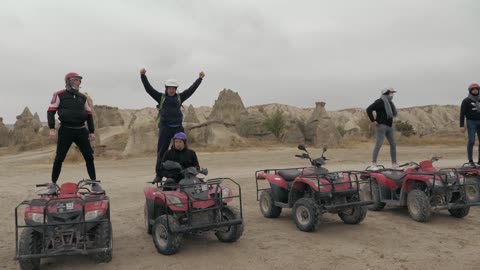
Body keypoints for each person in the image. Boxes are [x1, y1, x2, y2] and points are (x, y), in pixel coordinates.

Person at [140, 68, 205, 182]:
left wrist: (199, 79)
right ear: (166, 89)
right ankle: (159, 175)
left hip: (178, 128)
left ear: (176, 89)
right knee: (162, 151)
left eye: (173, 88)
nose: (171, 90)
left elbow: (191, 90)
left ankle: (188, 173)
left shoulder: (180, 98)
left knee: (184, 151)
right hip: (165, 128)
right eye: (169, 88)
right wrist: (143, 76)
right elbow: (148, 89)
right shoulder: (161, 97)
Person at [47, 72, 103, 194]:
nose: (78, 82)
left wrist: (92, 131)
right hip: (66, 129)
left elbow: (89, 115)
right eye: (76, 80)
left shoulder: (83, 97)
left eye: (79, 80)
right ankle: (52, 184)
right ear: (68, 81)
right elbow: (50, 111)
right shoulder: (59, 95)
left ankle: (94, 183)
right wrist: (52, 129)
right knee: (59, 157)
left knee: (89, 156)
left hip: (81, 130)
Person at [366, 87, 398, 170]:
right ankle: (373, 164)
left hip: (389, 126)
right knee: (379, 144)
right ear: (386, 93)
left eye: (393, 93)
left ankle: (394, 164)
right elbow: (369, 109)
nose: (392, 94)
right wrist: (373, 120)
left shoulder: (390, 103)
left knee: (393, 144)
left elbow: (391, 114)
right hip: (381, 126)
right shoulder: (380, 101)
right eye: (391, 93)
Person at [460, 83, 480, 167]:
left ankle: (479, 161)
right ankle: (470, 160)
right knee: (471, 141)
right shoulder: (466, 101)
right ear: (470, 91)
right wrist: (461, 125)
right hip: (471, 122)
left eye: (477, 89)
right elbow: (462, 113)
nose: (475, 90)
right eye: (473, 89)